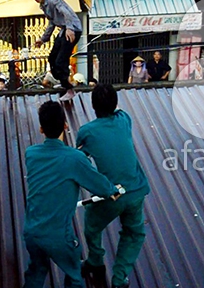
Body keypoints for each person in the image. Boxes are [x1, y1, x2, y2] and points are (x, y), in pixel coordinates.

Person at [23, 101, 122, 288]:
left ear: (41, 129)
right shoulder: (74, 158)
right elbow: (100, 185)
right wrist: (113, 190)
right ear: (66, 126)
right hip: (58, 236)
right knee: (74, 274)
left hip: (32, 232)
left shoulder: (31, 154)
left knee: (36, 272)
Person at [76, 84, 150, 288]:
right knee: (133, 233)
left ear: (93, 106)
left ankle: (95, 262)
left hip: (111, 195)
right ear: (115, 103)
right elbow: (117, 111)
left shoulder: (87, 131)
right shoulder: (124, 119)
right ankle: (119, 279)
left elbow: (80, 159)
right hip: (135, 191)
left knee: (92, 224)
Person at [28, 0, 82, 102]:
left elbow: (66, 13)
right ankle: (63, 82)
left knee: (60, 61)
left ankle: (69, 90)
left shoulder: (54, 0)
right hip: (63, 30)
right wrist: (43, 39)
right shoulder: (43, 5)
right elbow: (52, 22)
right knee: (52, 58)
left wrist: (69, 28)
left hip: (73, 30)